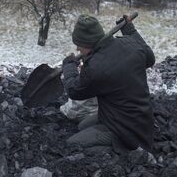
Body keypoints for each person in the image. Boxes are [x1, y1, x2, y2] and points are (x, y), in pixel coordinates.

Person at [62, 14, 155, 152]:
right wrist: (129, 29)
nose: (77, 50)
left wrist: (69, 65)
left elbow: (74, 90)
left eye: (79, 45)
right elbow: (150, 59)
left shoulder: (96, 68)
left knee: (73, 145)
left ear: (88, 44)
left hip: (125, 129)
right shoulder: (130, 43)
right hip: (141, 118)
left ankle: (124, 149)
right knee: (82, 126)